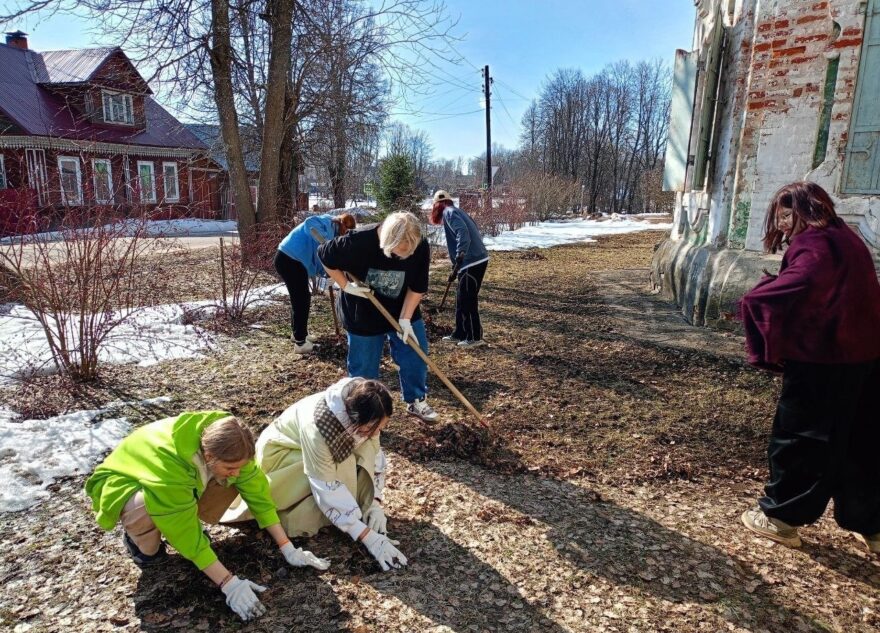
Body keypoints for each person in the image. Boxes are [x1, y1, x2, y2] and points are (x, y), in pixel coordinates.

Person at [738, 181, 880, 552]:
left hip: (824, 359)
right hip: (866, 356)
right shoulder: (846, 238)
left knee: (802, 435)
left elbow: (804, 282)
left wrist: (756, 300)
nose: (783, 225)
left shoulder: (816, 244)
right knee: (859, 441)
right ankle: (871, 524)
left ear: (806, 211)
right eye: (780, 217)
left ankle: (780, 518)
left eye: (787, 215)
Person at [85, 412, 330, 622]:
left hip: (181, 485)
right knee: (149, 518)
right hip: (127, 484)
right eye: (229, 467)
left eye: (239, 466)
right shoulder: (170, 471)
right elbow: (185, 532)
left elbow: (258, 496)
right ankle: (137, 543)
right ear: (209, 456)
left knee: (236, 482)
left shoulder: (233, 439)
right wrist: (228, 583)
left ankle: (184, 511)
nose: (236, 472)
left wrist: (287, 547)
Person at [223, 377, 407, 571]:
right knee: (340, 469)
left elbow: (374, 453)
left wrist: (375, 502)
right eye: (372, 428)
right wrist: (366, 536)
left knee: (363, 450)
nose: (376, 432)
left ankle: (351, 509)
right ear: (354, 418)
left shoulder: (366, 412)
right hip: (281, 456)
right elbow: (326, 485)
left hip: (320, 453)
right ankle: (295, 510)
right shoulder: (318, 428)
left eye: (380, 428)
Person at [318, 211, 439, 423]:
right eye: (400, 254)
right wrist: (345, 286)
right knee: (364, 367)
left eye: (409, 254)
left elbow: (418, 286)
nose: (406, 257)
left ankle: (416, 399)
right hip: (362, 313)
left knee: (415, 354)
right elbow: (324, 255)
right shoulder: (357, 242)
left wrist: (405, 319)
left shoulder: (419, 245)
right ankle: (363, 411)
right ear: (387, 242)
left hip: (402, 308)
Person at [275, 213, 357, 354]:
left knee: (300, 298)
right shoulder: (328, 221)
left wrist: (328, 274)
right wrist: (325, 242)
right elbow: (309, 223)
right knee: (301, 299)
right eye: (346, 229)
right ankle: (300, 343)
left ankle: (299, 334)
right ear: (342, 224)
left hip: (295, 261)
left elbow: (321, 258)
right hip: (289, 258)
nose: (346, 233)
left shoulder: (335, 236)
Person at [430, 190, 490, 347]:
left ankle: (474, 337)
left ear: (438, 205)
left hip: (472, 261)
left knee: (468, 299)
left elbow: (462, 232)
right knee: (461, 297)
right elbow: (473, 229)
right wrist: (456, 267)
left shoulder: (449, 212)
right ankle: (460, 333)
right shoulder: (457, 211)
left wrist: (461, 254)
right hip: (473, 260)